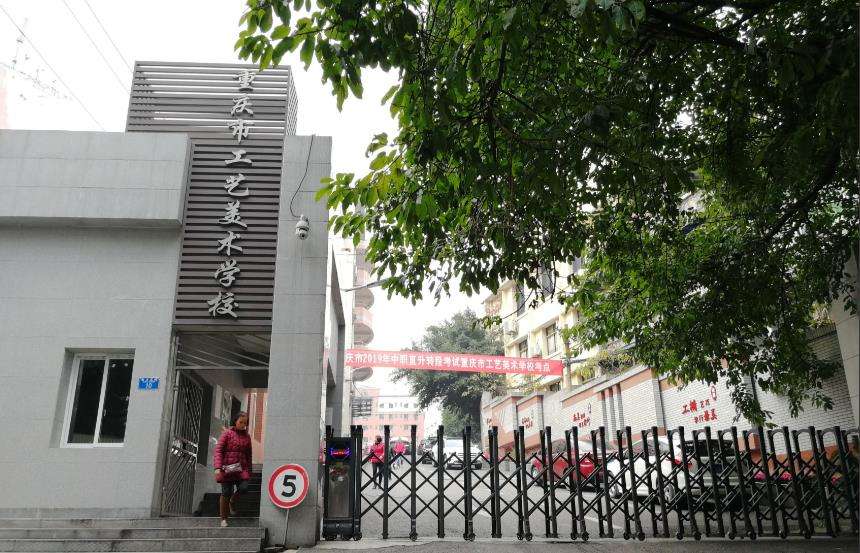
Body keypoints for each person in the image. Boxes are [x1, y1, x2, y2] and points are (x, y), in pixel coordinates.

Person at [214, 412, 252, 527]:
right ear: (235, 421)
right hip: (227, 468)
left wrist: (249, 470)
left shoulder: (247, 437)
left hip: (241, 469)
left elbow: (248, 455)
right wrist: (217, 467)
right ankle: (223, 519)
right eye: (241, 422)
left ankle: (233, 500)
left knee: (244, 488)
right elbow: (218, 451)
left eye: (245, 423)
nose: (243, 425)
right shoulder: (227, 433)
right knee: (226, 492)